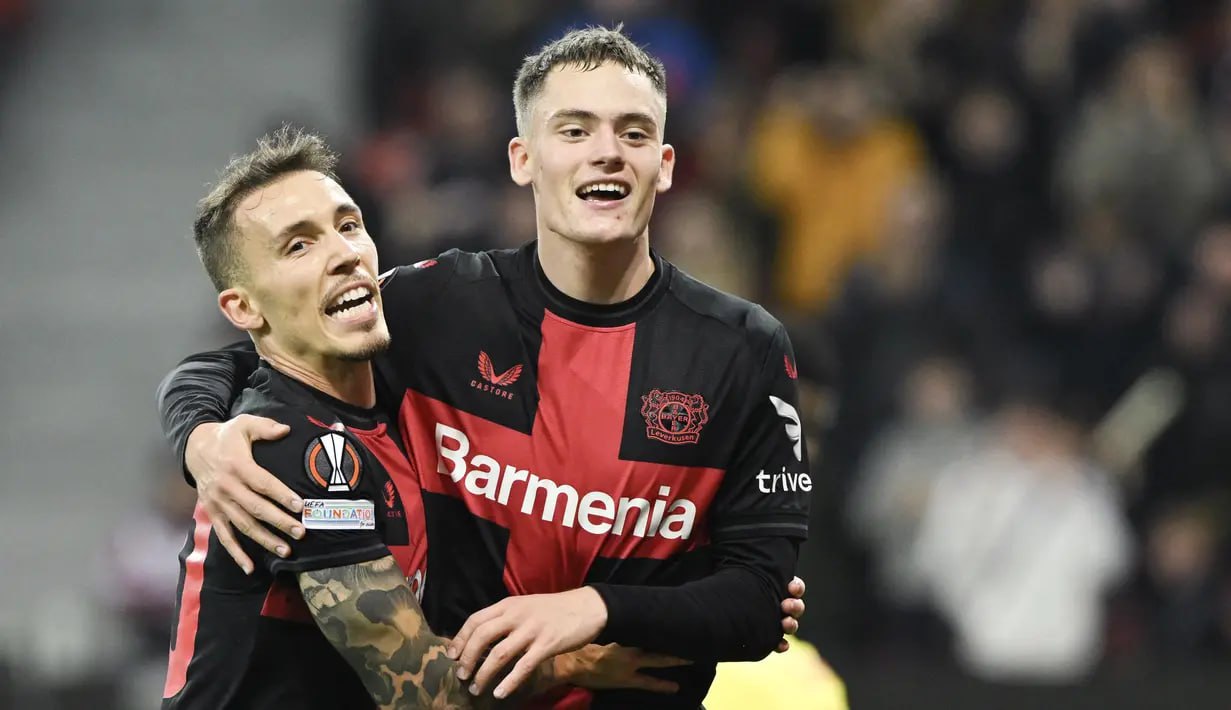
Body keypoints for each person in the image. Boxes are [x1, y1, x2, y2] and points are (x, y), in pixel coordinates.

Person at [159, 26, 812, 708]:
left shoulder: (744, 349)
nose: (607, 152)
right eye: (574, 131)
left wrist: (592, 607)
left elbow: (759, 603)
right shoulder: (432, 306)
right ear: (522, 158)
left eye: (634, 132)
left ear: (666, 163)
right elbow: (255, 359)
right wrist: (199, 437)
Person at [161, 128, 689, 709]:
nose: (344, 253)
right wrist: (571, 657)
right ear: (244, 307)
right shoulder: (290, 449)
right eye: (298, 246)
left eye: (348, 225)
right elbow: (425, 696)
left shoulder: (387, 389)